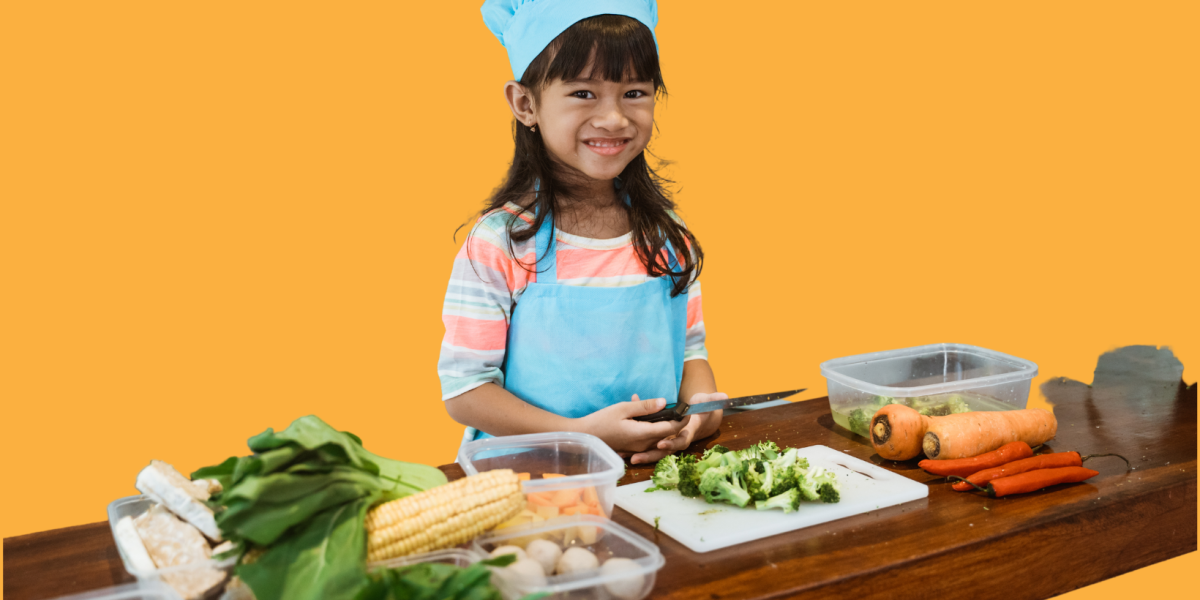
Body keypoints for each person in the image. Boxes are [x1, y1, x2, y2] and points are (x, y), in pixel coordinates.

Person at [440, 0, 724, 465]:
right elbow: (466, 391)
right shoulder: (501, 242)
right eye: (583, 94)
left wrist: (698, 418)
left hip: (645, 478)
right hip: (531, 483)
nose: (614, 118)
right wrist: (580, 435)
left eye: (635, 92)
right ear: (525, 103)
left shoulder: (668, 235)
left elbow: (691, 354)